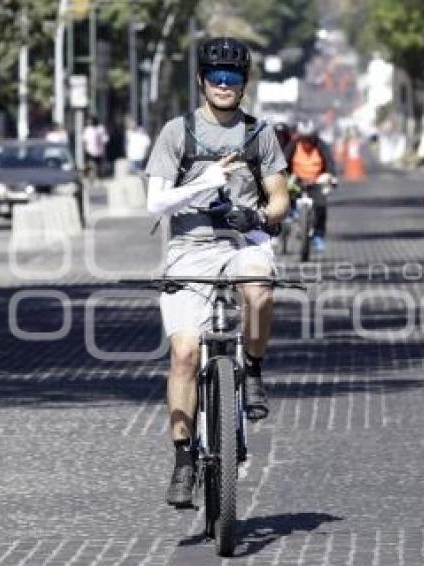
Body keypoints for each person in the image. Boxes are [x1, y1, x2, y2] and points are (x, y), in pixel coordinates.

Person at [143, 36, 289, 508]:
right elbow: (154, 202)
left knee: (259, 288)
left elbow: (280, 196)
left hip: (242, 241)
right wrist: (203, 183)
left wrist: (262, 218)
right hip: (189, 247)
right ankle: (183, 458)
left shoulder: (259, 133)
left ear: (244, 84)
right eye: (217, 77)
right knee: (184, 353)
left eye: (234, 79)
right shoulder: (177, 133)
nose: (225, 85)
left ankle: (253, 369)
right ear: (203, 81)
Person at [284, 119, 337, 253]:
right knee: (285, 194)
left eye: (309, 139)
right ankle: (290, 214)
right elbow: (283, 162)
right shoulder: (293, 145)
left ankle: (318, 235)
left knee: (321, 206)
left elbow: (330, 164)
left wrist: (330, 177)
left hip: (316, 181)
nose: (306, 142)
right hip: (297, 181)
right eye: (303, 139)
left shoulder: (321, 146)